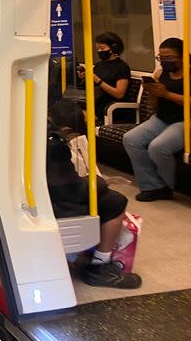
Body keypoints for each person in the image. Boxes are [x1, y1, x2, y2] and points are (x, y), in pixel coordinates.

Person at [47, 99, 142, 288]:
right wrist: (99, 182)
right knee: (116, 201)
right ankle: (100, 267)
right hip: (56, 204)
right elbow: (70, 191)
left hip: (40, 198)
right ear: (65, 129)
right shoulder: (55, 144)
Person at [122, 37, 185, 201]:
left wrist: (167, 94)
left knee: (158, 147)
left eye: (169, 58)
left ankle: (167, 186)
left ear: (183, 56)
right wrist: (151, 91)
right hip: (162, 117)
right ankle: (152, 185)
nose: (164, 62)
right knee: (130, 139)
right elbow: (155, 104)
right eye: (161, 58)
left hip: (184, 121)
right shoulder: (160, 74)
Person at [77, 32, 131, 122]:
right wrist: (84, 78)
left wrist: (98, 81)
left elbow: (119, 94)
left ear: (113, 48)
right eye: (97, 49)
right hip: (94, 103)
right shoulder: (99, 65)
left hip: (110, 108)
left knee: (72, 116)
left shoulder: (121, 67)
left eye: (102, 48)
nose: (99, 51)